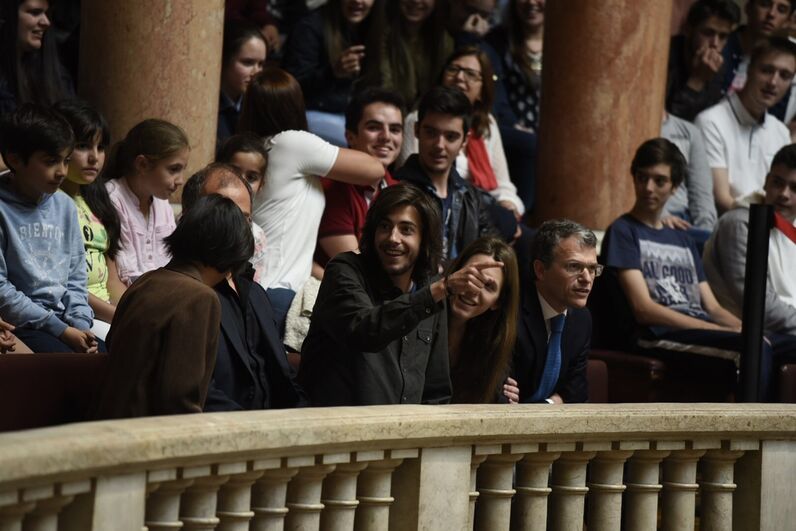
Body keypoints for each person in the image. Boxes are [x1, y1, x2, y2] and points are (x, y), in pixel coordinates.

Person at [599, 138, 796, 399]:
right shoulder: (623, 231)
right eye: (642, 177)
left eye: (659, 181)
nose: (648, 188)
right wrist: (719, 330)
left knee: (772, 343)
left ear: (674, 187)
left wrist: (744, 327)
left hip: (698, 329)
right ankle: (751, 436)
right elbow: (644, 309)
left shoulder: (681, 237)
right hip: (657, 334)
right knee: (754, 348)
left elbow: (712, 307)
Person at [237, 66, 383, 328]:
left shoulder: (253, 151)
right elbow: (374, 169)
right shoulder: (291, 143)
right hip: (276, 291)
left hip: (257, 287)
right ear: (295, 106)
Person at [95, 194, 254, 419]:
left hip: (109, 425)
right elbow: (180, 397)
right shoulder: (200, 298)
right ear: (230, 258)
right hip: (151, 440)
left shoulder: (145, 282)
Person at [299, 183, 457, 406]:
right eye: (384, 226)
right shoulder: (345, 270)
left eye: (406, 229)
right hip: (339, 432)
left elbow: (436, 391)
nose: (393, 237)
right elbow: (364, 329)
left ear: (424, 241)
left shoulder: (429, 289)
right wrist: (434, 295)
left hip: (404, 435)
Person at [181, 164, 307, 411]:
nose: (238, 227)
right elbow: (195, 395)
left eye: (245, 218)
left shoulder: (255, 294)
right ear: (192, 216)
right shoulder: (180, 295)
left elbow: (284, 379)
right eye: (226, 212)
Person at [0, 104, 97, 353]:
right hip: (22, 322)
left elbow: (76, 277)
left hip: (65, 320)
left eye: (65, 161)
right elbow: (2, 289)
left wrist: (81, 323)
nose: (62, 172)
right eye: (51, 161)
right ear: (14, 159)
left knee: (109, 362)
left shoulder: (64, 205)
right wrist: (61, 330)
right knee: (64, 369)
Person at [398, 46, 525, 219]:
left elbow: (502, 182)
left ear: (482, 88)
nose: (459, 77)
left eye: (470, 74)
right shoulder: (418, 118)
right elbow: (409, 174)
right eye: (453, 69)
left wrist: (508, 204)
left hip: (484, 204)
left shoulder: (487, 123)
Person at [396, 86, 498, 263]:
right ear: (416, 130)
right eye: (431, 132)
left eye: (450, 137)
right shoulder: (399, 189)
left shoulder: (469, 195)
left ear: (465, 141)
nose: (439, 145)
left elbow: (493, 248)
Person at [696, 37, 796, 213]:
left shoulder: (780, 131)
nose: (773, 82)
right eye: (766, 70)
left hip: (770, 229)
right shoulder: (711, 121)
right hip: (730, 228)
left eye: (784, 76)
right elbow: (722, 199)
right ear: (749, 69)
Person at [704, 143, 796, 336]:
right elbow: (761, 308)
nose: (784, 195)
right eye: (777, 183)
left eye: (794, 188)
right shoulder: (740, 224)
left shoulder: (792, 226)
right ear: (766, 182)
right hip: (750, 336)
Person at [54, 99, 123, 340]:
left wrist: (130, 309)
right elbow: (62, 282)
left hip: (106, 310)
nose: (94, 157)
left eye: (101, 147)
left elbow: (111, 278)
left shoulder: (98, 199)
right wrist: (119, 316)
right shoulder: (52, 203)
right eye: (83, 146)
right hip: (73, 311)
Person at [315, 87, 403, 268]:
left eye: (394, 129)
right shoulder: (332, 188)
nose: (386, 137)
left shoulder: (399, 190)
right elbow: (357, 269)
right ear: (350, 136)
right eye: (374, 127)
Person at [514, 219, 595, 404]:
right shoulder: (511, 311)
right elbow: (502, 394)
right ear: (541, 270)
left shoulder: (582, 319)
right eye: (574, 266)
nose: (587, 279)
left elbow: (576, 392)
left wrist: (547, 407)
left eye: (592, 269)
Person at [282, 0, 385, 146]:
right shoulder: (310, 27)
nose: (357, 1)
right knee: (361, 142)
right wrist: (332, 73)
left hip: (355, 114)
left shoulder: (375, 27)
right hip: (313, 113)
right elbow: (291, 88)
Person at [103, 119, 190, 287]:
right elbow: (115, 281)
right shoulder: (112, 199)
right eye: (173, 169)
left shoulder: (162, 203)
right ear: (142, 164)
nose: (180, 180)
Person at [484, 0, 543, 211]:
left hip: (550, 137)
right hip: (509, 128)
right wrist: (513, 123)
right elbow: (495, 93)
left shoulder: (564, 39)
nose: (531, 3)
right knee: (529, 144)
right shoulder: (499, 40)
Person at [446, 237, 520, 403]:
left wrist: (505, 402)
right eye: (470, 276)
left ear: (497, 303)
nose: (472, 290)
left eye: (488, 286)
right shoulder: (422, 317)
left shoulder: (493, 340)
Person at [666, 0, 741, 121]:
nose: (715, 44)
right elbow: (669, 124)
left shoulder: (718, 65)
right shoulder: (666, 55)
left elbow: (705, 120)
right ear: (688, 29)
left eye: (722, 36)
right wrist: (697, 81)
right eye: (708, 33)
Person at [721, 0, 796, 121]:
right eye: (765, 4)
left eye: (781, 9)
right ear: (748, 7)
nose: (771, 14)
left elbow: (773, 119)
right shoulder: (719, 43)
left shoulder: (783, 67)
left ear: (788, 21)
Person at [0, 0, 74, 116]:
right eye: (35, 12)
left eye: (46, 13)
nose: (46, 22)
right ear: (6, 15)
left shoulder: (58, 76)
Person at [216, 133, 269, 284]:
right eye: (234, 172)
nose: (241, 181)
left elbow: (254, 287)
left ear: (261, 185)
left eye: (251, 177)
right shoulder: (196, 217)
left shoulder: (256, 237)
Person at [381, 0, 453, 108]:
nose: (416, 1)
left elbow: (441, 90)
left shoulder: (443, 40)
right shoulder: (382, 31)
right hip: (388, 110)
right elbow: (383, 83)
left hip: (428, 114)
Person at [217, 21, 267, 150]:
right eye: (247, 62)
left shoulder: (260, 103)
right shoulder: (208, 107)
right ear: (224, 60)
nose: (256, 72)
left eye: (260, 64)